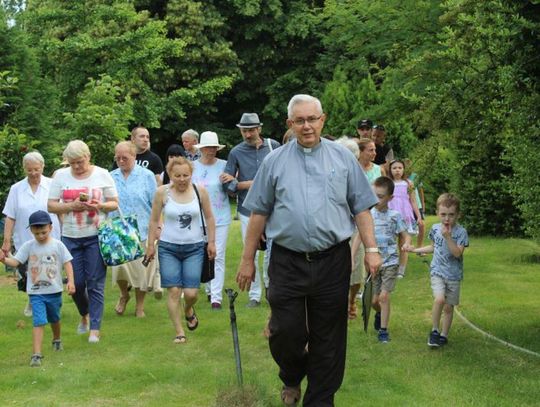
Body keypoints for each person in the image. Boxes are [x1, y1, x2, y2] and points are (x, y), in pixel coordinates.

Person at [236, 94, 381, 406]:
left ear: (322, 119)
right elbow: (258, 212)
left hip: (332, 260)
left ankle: (319, 398)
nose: (306, 126)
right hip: (287, 260)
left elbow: (362, 208)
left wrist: (371, 248)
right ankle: (291, 374)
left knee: (328, 335)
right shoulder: (274, 162)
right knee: (284, 331)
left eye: (312, 119)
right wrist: (247, 259)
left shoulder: (343, 160)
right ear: (290, 124)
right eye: (299, 120)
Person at [48, 140, 119, 343]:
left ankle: (95, 329)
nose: (77, 167)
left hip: (96, 236)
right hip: (70, 236)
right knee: (76, 284)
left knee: (95, 282)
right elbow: (51, 206)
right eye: (72, 163)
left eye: (80, 162)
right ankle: (85, 314)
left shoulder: (102, 174)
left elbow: (114, 203)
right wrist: (71, 207)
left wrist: (100, 205)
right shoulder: (61, 176)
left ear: (88, 156)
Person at [146, 157, 216, 344]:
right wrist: (150, 245)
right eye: (177, 176)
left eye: (186, 175)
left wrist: (211, 242)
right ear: (170, 175)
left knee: (192, 293)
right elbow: (153, 220)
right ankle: (179, 332)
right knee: (174, 291)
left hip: (194, 248)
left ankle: (188, 310)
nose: (182, 179)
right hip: (168, 247)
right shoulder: (162, 193)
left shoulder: (200, 192)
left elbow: (209, 218)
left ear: (191, 174)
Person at [0, 210, 75, 367]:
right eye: (37, 233)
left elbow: (68, 263)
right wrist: (4, 260)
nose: (40, 236)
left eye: (44, 232)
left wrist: (71, 282)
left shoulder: (58, 245)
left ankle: (57, 338)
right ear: (31, 230)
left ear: (50, 227)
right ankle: (36, 355)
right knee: (39, 321)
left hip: (54, 291)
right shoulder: (29, 246)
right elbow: (16, 262)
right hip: (36, 292)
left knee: (54, 318)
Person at [221, 112, 280, 308]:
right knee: (251, 251)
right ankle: (254, 295)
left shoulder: (274, 147)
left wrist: (241, 183)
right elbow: (227, 184)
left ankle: (272, 290)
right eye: (244, 131)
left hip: (274, 209)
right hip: (248, 209)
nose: (247, 134)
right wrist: (244, 184)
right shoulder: (236, 152)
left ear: (259, 129)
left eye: (251, 130)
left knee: (274, 252)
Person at [2, 152, 62, 317]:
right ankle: (33, 299)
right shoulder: (16, 189)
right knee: (29, 273)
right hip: (25, 238)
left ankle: (49, 304)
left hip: (51, 237)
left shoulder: (53, 185)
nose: (34, 173)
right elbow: (10, 216)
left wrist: (66, 235)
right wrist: (6, 241)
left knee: (49, 272)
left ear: (43, 167)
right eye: (29, 170)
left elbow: (61, 212)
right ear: (24, 169)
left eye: (36, 169)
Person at [406, 193, 468, 347]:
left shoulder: (461, 233)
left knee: (448, 307)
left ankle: (444, 335)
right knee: (439, 299)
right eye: (443, 215)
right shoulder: (434, 228)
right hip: (437, 271)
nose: (447, 219)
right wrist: (415, 250)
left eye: (451, 215)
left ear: (458, 215)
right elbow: (434, 247)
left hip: (453, 275)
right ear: (437, 213)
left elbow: (457, 253)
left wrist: (448, 237)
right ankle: (434, 330)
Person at [110, 141, 158, 318]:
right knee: (121, 270)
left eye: (125, 158)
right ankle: (124, 294)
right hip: (119, 230)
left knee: (141, 271)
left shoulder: (147, 176)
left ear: (134, 157)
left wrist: (158, 225)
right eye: (118, 158)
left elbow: (156, 203)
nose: (121, 161)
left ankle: (140, 306)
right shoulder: (110, 177)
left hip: (142, 229)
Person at [370, 177, 412, 342]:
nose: (376, 200)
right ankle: (379, 313)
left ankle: (384, 331)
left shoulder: (395, 216)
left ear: (390, 198)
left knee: (384, 297)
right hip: (375, 263)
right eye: (374, 195)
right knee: (374, 301)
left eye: (380, 196)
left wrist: (407, 244)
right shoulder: (368, 215)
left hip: (390, 262)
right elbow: (359, 236)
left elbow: (405, 235)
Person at [192, 131, 230, 310]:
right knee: (202, 254)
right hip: (198, 217)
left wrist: (231, 179)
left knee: (218, 255)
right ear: (201, 148)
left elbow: (232, 187)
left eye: (214, 147)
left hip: (220, 216)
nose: (211, 150)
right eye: (208, 147)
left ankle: (216, 297)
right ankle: (208, 287)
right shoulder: (192, 167)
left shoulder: (225, 165)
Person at [387, 159, 423, 278]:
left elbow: (413, 201)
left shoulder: (408, 183)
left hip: (404, 215)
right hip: (391, 215)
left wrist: (418, 216)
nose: (397, 170)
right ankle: (390, 266)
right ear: (390, 170)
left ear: (403, 169)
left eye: (400, 168)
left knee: (403, 243)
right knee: (389, 242)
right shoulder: (388, 183)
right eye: (394, 168)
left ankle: (401, 269)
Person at [404, 158, 426, 250]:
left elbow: (421, 191)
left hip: (417, 204)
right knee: (407, 227)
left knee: (421, 225)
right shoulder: (401, 178)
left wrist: (423, 204)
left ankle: (420, 247)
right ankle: (409, 246)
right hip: (406, 206)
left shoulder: (415, 176)